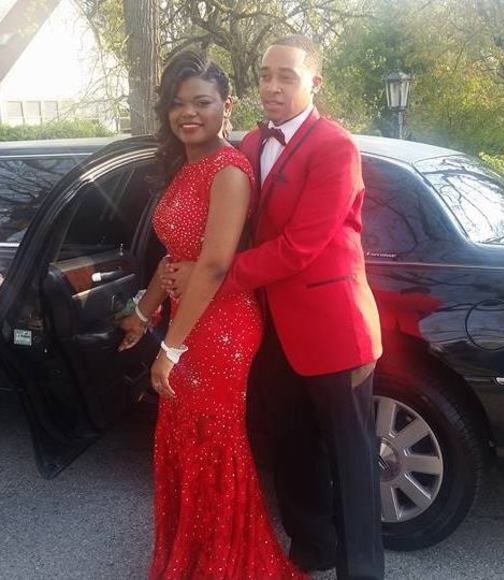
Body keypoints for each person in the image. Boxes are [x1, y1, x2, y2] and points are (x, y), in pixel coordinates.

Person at [163, 36, 385, 580]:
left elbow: (299, 247)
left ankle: (361, 571)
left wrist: (214, 276)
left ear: (314, 82)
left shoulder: (335, 146)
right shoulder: (252, 141)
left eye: (287, 75)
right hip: (269, 330)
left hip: (333, 329)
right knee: (290, 447)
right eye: (265, 75)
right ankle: (311, 550)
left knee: (351, 460)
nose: (273, 86)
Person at [118, 50, 305, 580]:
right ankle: (194, 554)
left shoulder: (229, 171)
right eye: (178, 103)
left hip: (221, 328)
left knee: (213, 444)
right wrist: (143, 313)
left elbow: (217, 264)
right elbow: (174, 257)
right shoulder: (186, 166)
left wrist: (169, 347)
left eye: (202, 102)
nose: (189, 113)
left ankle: (225, 563)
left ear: (227, 105)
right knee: (184, 440)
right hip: (188, 319)